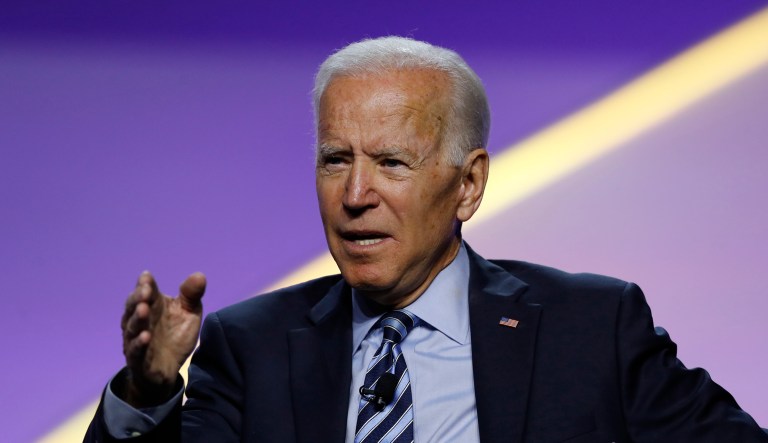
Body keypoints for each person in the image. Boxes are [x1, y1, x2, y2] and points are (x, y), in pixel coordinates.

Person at [85, 36, 768, 442]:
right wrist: (147, 395)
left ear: (468, 185)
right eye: (334, 159)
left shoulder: (591, 328)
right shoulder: (251, 346)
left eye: (391, 162)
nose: (355, 196)